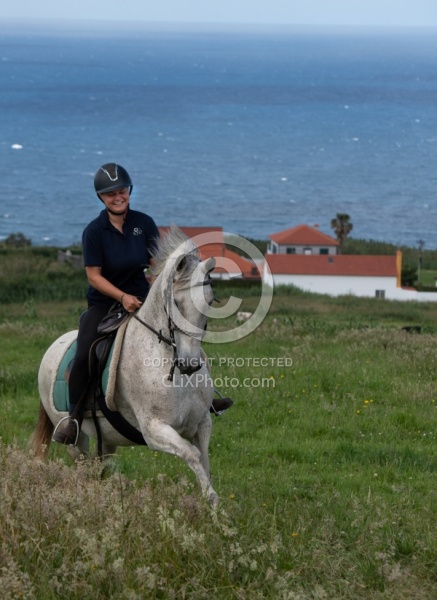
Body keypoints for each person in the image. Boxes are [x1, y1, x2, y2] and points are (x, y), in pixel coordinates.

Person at [53, 162, 232, 446]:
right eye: (110, 193)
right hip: (105, 304)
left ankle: (206, 398)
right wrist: (122, 297)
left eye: (121, 190)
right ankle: (73, 418)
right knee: (86, 350)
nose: (117, 196)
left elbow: (157, 266)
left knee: (185, 332)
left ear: (129, 191)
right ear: (101, 197)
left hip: (143, 298)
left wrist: (164, 286)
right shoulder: (94, 232)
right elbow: (94, 277)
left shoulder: (144, 223)